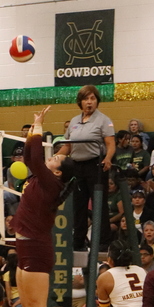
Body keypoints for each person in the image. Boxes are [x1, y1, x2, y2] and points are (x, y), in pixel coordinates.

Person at [13, 106, 77, 307]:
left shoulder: (51, 184)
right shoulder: (40, 178)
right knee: (26, 305)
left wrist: (38, 127)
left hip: (38, 248)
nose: (53, 158)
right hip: (23, 245)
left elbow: (37, 157)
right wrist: (32, 130)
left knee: (38, 306)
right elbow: (31, 156)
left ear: (59, 172)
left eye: (58, 158)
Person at [58, 85, 115, 251]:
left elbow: (111, 144)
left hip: (95, 165)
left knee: (99, 204)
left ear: (97, 101)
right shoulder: (74, 121)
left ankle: (103, 242)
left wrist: (108, 158)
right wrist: (55, 158)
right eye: (86, 99)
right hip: (77, 166)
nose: (89, 102)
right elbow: (67, 146)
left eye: (92, 99)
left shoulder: (104, 120)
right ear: (80, 102)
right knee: (79, 205)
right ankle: (78, 242)